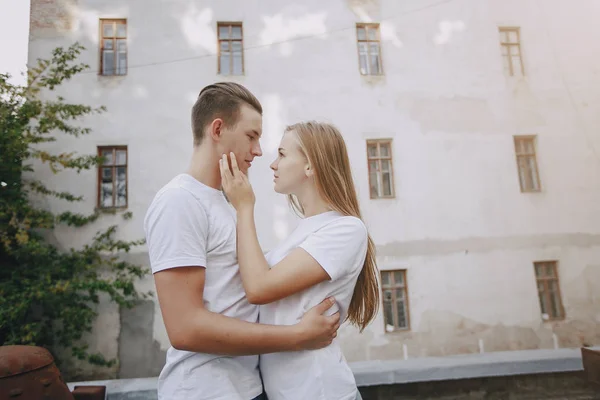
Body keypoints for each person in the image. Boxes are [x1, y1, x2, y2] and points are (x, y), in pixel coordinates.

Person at [144, 83, 340, 400]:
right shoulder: (179, 201)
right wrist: (296, 336)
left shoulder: (226, 203)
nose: (260, 151)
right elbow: (184, 327)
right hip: (204, 390)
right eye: (252, 136)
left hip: (244, 387)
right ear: (218, 129)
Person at [220, 121, 380, 400]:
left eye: (282, 154)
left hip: (321, 391)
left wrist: (244, 207)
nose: (273, 164)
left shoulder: (345, 229)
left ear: (310, 166)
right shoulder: (306, 230)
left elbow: (258, 288)